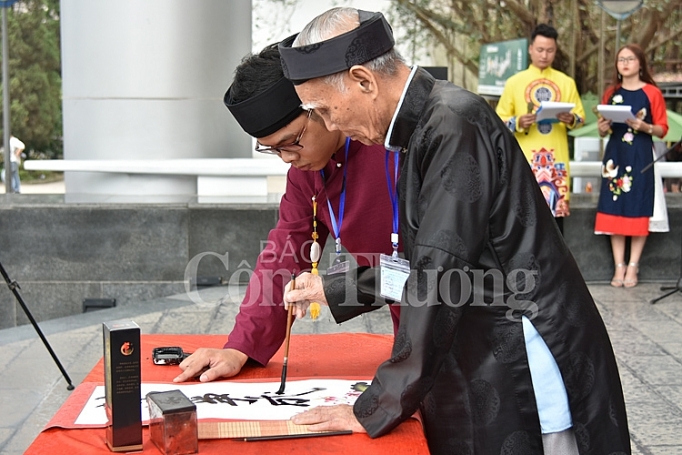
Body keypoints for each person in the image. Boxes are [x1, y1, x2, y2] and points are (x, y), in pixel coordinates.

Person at [278, 8, 630, 454]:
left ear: (364, 80)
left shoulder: (451, 123)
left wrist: (376, 404)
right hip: (485, 348)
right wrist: (338, 287)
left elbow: (439, 275)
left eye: (326, 109)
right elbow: (432, 264)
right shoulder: (423, 127)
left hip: (520, 353)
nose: (329, 126)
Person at [173, 43, 400, 383]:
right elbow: (284, 251)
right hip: (411, 334)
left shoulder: (393, 145)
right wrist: (241, 347)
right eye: (272, 149)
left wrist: (337, 288)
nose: (286, 158)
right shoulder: (307, 170)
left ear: (320, 107)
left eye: (291, 141)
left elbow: (440, 272)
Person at [496, 24, 585, 235]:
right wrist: (518, 122)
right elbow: (499, 120)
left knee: (556, 225)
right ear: (530, 49)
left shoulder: (566, 82)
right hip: (525, 157)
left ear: (556, 50)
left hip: (556, 160)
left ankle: (555, 268)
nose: (545, 55)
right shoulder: (514, 82)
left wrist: (570, 118)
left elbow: (580, 118)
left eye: (550, 50)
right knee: (523, 220)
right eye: (540, 50)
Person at [595, 44, 669, 288]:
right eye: (620, 59)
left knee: (638, 205)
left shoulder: (652, 93)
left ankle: (633, 266)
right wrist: (603, 128)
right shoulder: (611, 93)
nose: (624, 63)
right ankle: (619, 266)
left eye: (630, 59)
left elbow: (662, 129)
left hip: (640, 156)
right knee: (614, 205)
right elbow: (603, 127)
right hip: (615, 155)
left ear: (640, 63)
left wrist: (644, 126)